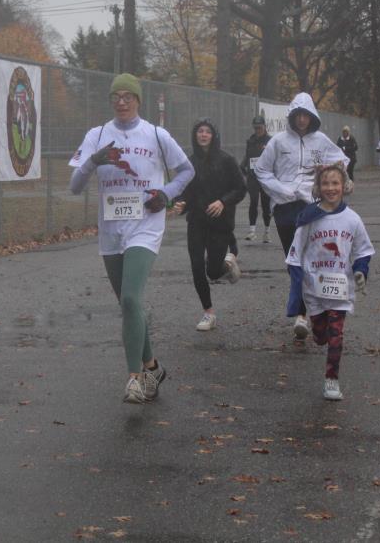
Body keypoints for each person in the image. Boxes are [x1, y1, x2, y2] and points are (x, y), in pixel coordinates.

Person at [68, 73, 193, 404]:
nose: (122, 102)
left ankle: (134, 379)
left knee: (130, 299)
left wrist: (166, 194)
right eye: (116, 96)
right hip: (111, 230)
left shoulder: (155, 134)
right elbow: (75, 186)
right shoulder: (97, 135)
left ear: (138, 100)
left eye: (128, 96)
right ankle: (152, 366)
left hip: (145, 225)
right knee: (129, 304)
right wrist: (92, 161)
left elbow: (187, 171)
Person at [253, 92, 349, 339]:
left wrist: (328, 170)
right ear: (292, 116)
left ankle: (304, 315)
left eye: (306, 116)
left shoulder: (321, 141)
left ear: (312, 117)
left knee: (312, 260)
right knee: (293, 261)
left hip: (312, 205)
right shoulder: (278, 142)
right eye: (298, 115)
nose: (302, 120)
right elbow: (262, 170)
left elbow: (342, 161)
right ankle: (306, 312)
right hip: (285, 208)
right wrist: (282, 190)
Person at [285, 162, 375, 400]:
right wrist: (297, 285)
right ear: (318, 187)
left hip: (340, 288)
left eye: (335, 183)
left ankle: (331, 380)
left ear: (344, 186)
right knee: (321, 336)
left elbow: (363, 250)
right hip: (314, 288)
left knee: (336, 336)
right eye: (325, 183)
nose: (330, 188)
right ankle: (317, 330)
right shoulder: (308, 218)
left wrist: (361, 271)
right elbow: (294, 253)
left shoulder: (352, 219)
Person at [173, 118, 247, 332]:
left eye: (207, 131)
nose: (203, 135)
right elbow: (185, 191)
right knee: (197, 266)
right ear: (195, 135)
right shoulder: (189, 162)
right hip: (196, 221)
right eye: (200, 131)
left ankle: (227, 265)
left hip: (220, 223)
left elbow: (240, 188)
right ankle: (209, 313)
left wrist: (223, 202)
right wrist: (181, 204)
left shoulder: (227, 160)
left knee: (213, 272)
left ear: (214, 136)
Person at [241, 115, 272, 242]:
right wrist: (243, 167)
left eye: (259, 127)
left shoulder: (270, 141)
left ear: (264, 127)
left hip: (265, 177)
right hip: (253, 177)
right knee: (253, 201)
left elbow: (275, 158)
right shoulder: (250, 140)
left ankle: (267, 231)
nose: (257, 130)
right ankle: (252, 231)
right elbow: (248, 156)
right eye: (255, 128)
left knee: (265, 205)